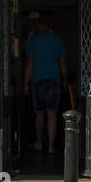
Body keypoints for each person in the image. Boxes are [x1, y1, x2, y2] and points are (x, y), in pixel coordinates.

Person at [24, 16, 67, 153]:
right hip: (54, 80)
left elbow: (29, 63)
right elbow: (62, 63)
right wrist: (65, 80)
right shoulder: (57, 40)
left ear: (39, 26)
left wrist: (26, 82)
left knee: (39, 114)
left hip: (38, 80)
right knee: (52, 113)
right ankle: (51, 147)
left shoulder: (34, 40)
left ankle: (39, 143)